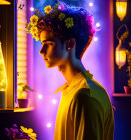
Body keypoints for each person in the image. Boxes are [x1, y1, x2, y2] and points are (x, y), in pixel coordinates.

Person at [26, 2, 114, 140]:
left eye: (49, 44)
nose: (41, 51)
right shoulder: (73, 90)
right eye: (42, 44)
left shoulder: (84, 96)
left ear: (70, 44)